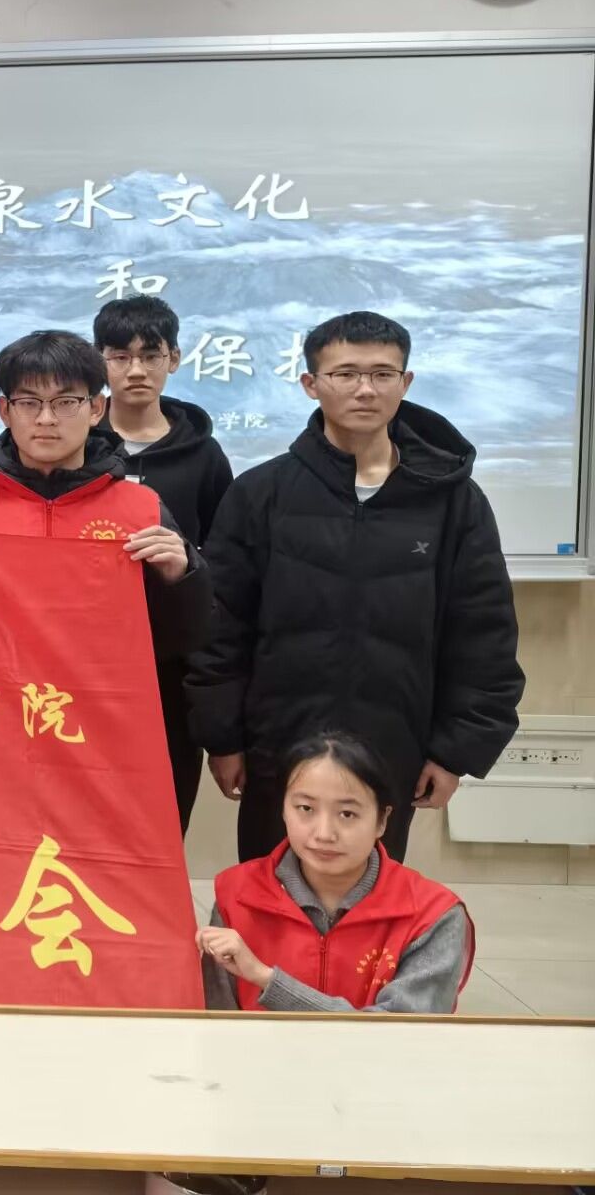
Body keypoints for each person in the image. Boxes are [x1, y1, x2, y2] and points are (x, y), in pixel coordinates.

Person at [187, 311, 523, 863]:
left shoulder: (453, 502)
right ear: (310, 383)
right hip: (278, 747)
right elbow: (220, 626)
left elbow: (483, 633)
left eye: (383, 374)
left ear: (405, 382)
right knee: (272, 892)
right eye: (345, 374)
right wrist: (222, 739)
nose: (365, 389)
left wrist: (456, 751)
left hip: (393, 747)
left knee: (371, 898)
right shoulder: (260, 493)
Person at [0, 331, 211, 669]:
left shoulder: (142, 509)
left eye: (65, 402)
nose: (46, 418)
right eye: (29, 402)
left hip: (103, 699)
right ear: (5, 411)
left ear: (95, 408)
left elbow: (186, 641)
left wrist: (181, 579)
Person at [199, 730, 473, 1012]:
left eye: (347, 814)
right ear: (283, 810)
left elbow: (402, 1031)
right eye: (306, 808)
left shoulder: (433, 915)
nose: (324, 833)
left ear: (382, 819)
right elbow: (216, 1024)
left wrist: (266, 979)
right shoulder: (237, 895)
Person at [93, 295, 235, 833]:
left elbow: (220, 565)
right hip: (84, 662)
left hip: (170, 668)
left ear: (173, 359)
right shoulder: (73, 444)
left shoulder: (204, 456)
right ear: (99, 360)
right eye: (120, 356)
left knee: (163, 815)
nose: (136, 370)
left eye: (150, 355)